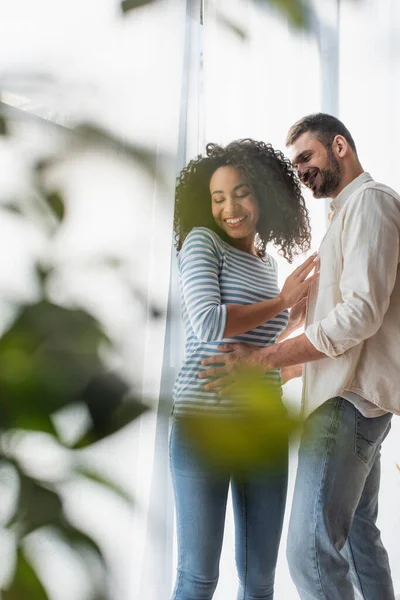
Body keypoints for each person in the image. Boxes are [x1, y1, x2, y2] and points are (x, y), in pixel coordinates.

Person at [201, 114, 399, 600]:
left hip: (345, 404)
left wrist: (266, 358)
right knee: (357, 542)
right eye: (295, 164)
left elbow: (359, 316)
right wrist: (278, 360)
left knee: (309, 557)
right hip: (354, 399)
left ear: (340, 146)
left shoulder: (369, 205)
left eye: (306, 157)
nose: (302, 170)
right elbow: (338, 321)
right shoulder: (345, 218)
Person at [170, 138, 317, 600]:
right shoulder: (201, 243)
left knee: (259, 582)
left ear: (265, 196)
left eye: (241, 193)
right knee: (198, 578)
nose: (229, 207)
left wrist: (298, 312)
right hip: (204, 425)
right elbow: (210, 323)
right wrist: (281, 301)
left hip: (264, 428)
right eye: (218, 197)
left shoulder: (267, 263)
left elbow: (260, 341)